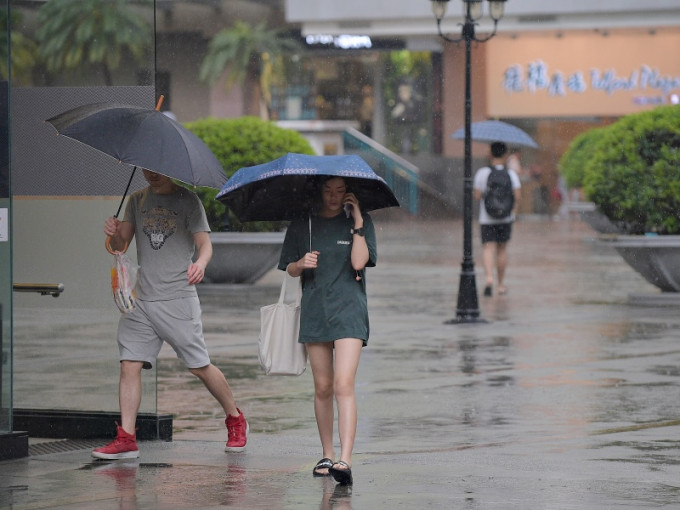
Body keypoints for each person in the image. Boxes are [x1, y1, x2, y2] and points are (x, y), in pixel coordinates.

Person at [92, 170, 248, 460]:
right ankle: (126, 438)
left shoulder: (188, 201)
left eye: (156, 169)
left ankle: (235, 418)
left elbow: (205, 243)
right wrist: (113, 233)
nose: (151, 174)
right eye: (145, 168)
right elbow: (120, 246)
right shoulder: (137, 200)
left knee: (199, 366)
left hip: (178, 297)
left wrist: (201, 263)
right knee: (129, 364)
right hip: (142, 300)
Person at [278, 176, 377, 486]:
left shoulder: (360, 222)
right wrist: (300, 264)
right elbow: (288, 268)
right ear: (319, 191)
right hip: (316, 310)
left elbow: (360, 261)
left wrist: (358, 220)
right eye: (328, 190)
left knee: (343, 384)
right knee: (323, 386)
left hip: (349, 311)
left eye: (340, 191)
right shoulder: (302, 223)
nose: (334, 197)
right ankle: (327, 453)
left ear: (348, 193)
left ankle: (344, 460)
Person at [473, 142, 521, 297]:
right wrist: (512, 212)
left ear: (490, 154)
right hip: (505, 218)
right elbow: (518, 197)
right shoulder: (511, 174)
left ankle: (488, 278)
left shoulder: (482, 173)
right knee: (502, 249)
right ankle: (500, 285)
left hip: (487, 218)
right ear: (505, 155)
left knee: (488, 247)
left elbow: (477, 196)